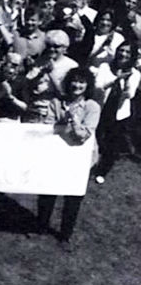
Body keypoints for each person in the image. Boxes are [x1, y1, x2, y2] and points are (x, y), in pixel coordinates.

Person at [36, 68, 101, 252]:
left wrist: (71, 117)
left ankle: (65, 235)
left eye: (82, 82)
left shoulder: (92, 107)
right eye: (74, 81)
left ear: (87, 85)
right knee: (48, 192)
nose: (77, 85)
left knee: (73, 197)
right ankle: (40, 226)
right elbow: (48, 127)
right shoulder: (56, 102)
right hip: (57, 155)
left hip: (80, 158)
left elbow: (83, 135)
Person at [92, 41, 140, 184]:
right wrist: (116, 79)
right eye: (121, 50)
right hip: (101, 109)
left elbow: (129, 95)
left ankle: (102, 170)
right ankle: (90, 164)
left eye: (127, 52)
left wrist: (126, 82)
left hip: (119, 113)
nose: (123, 54)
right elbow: (98, 87)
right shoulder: (105, 67)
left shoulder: (135, 74)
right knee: (96, 138)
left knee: (112, 144)